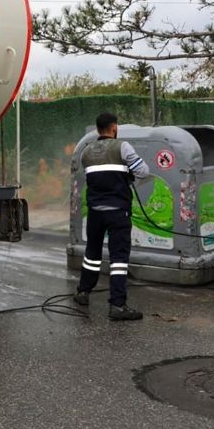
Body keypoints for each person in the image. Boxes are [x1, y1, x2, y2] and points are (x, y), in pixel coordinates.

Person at [73, 112, 150, 321]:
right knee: (119, 259)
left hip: (95, 212)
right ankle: (117, 305)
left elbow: (94, 176)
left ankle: (83, 292)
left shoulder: (86, 152)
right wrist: (127, 173)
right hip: (117, 212)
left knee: (92, 254)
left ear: (97, 129)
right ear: (114, 127)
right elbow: (144, 171)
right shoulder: (122, 147)